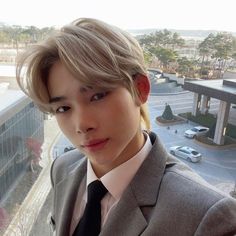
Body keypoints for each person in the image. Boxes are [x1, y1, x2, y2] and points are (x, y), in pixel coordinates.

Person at [16, 18, 236, 236]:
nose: (82, 125)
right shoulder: (63, 168)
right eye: (63, 108)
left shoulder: (205, 216)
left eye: (97, 96)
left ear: (140, 89)